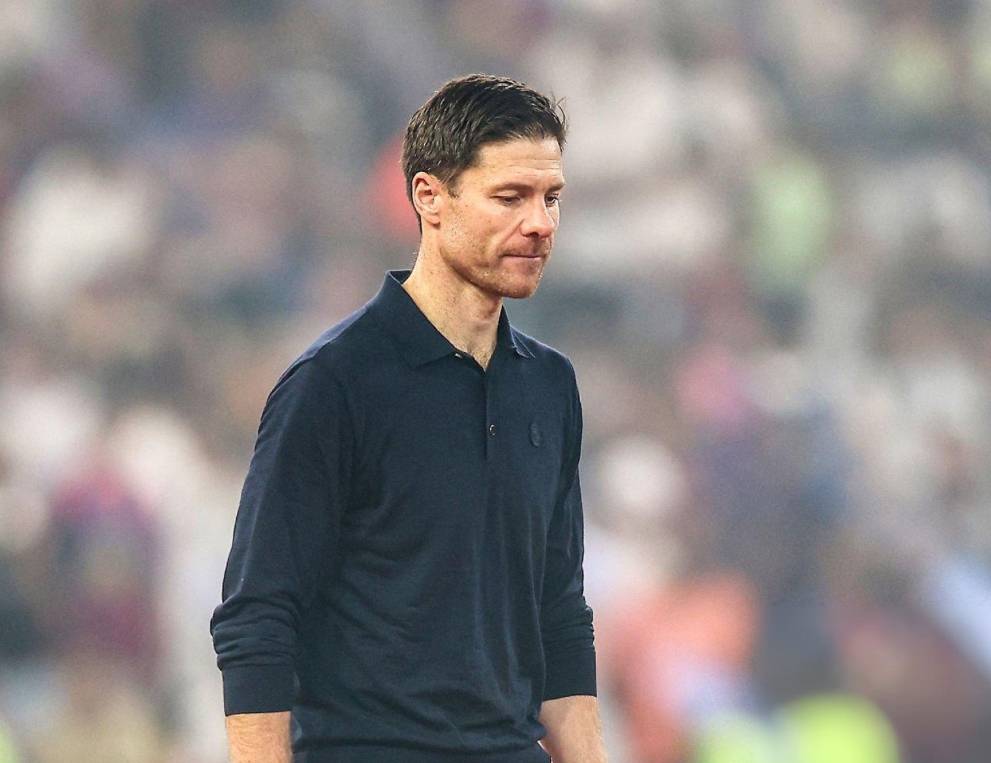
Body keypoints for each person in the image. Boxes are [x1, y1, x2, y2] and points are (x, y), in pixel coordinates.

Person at [210, 74, 607, 763]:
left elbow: (559, 617)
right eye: (509, 197)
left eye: (551, 198)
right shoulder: (334, 383)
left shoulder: (549, 385)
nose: (540, 223)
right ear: (429, 197)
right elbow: (258, 617)